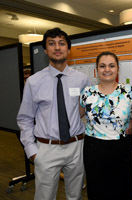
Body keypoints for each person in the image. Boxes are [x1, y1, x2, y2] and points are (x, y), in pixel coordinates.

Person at [17, 27, 89, 200]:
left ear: (68, 49)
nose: (57, 48)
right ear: (45, 50)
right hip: (46, 149)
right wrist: (32, 151)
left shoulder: (82, 79)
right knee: (45, 197)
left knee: (75, 196)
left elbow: (86, 111)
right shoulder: (34, 82)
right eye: (52, 44)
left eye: (62, 43)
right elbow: (25, 118)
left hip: (76, 147)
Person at [80, 51, 132, 200]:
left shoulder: (129, 92)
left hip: (123, 148)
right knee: (97, 192)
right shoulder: (87, 92)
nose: (107, 70)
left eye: (111, 66)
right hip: (94, 149)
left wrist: (131, 123)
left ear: (117, 69)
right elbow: (78, 114)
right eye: (102, 66)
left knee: (123, 191)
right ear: (96, 70)